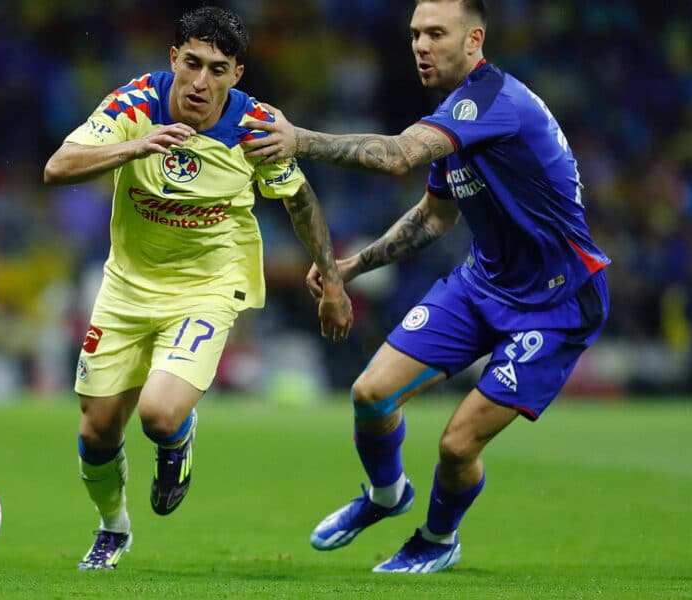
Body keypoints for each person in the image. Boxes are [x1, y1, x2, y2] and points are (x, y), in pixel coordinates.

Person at [242, 0, 610, 574]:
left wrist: (299, 140)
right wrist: (352, 265)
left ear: (474, 40)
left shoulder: (491, 101)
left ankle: (437, 540)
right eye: (415, 33)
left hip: (555, 303)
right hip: (484, 283)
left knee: (457, 445)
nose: (420, 45)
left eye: (436, 33)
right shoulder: (456, 117)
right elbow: (436, 217)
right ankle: (387, 496)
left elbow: (396, 157)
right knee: (370, 394)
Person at [43, 6, 353, 571]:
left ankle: (176, 440)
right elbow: (58, 166)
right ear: (173, 59)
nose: (200, 81)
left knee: (158, 414)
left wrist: (332, 282)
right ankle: (113, 527)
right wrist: (133, 148)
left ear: (236, 74)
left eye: (217, 69)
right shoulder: (134, 104)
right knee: (97, 429)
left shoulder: (256, 126)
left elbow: (300, 201)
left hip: (209, 286)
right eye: (191, 63)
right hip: (127, 286)